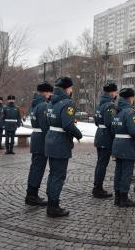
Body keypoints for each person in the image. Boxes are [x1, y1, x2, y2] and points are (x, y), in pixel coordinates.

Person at [45, 77, 82, 217]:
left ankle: (51, 203)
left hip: (50, 139)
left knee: (53, 173)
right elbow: (67, 125)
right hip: (60, 142)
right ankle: (53, 207)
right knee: (58, 175)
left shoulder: (51, 102)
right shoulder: (68, 103)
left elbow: (49, 119)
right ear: (67, 89)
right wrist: (78, 135)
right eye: (71, 88)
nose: (72, 91)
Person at [111, 88, 135, 207]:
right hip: (127, 146)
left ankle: (117, 197)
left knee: (118, 172)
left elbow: (112, 128)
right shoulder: (130, 112)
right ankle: (124, 199)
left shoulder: (117, 112)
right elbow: (134, 131)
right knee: (126, 173)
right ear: (130, 98)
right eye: (133, 98)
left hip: (117, 144)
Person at [25, 82, 54, 206]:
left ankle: (32, 193)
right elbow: (45, 125)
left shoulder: (35, 104)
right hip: (41, 139)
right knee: (38, 168)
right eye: (50, 92)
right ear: (46, 92)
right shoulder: (43, 105)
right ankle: (32, 195)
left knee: (35, 167)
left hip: (36, 137)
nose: (51, 95)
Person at [93, 82, 118, 199]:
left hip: (99, 135)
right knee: (102, 164)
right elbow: (111, 123)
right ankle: (98, 188)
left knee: (100, 163)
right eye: (116, 92)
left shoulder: (99, 105)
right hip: (106, 137)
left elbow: (97, 121)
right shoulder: (110, 105)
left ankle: (97, 186)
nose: (116, 94)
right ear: (112, 92)